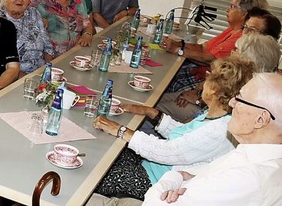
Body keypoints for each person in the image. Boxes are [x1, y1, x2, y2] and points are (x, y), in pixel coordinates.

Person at [93, 56, 256, 200]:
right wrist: (152, 113)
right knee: (100, 152)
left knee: (95, 175)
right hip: (152, 165)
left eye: (207, 77)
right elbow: (183, 135)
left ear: (214, 90)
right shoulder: (216, 114)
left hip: (156, 180)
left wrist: (121, 130)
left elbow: (169, 152)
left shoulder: (221, 129)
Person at [141, 73, 282, 205]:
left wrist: (173, 177)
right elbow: (194, 174)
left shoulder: (248, 177)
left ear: (260, 119)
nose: (232, 102)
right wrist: (181, 177)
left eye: (240, 98)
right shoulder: (253, 151)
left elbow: (152, 203)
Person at [157, 33, 282, 123]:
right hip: (203, 107)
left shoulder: (244, 83)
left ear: (249, 59)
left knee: (155, 107)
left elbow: (218, 113)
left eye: (236, 50)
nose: (232, 52)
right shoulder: (249, 78)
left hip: (204, 116)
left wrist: (197, 101)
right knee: (158, 97)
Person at [162, 0, 268, 94]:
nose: (227, 10)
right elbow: (203, 48)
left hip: (205, 80)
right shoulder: (232, 29)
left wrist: (178, 50)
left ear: (244, 14)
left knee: (165, 78)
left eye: (232, 7)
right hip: (198, 70)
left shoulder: (240, 38)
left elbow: (209, 59)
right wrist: (179, 44)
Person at [0, 0, 52, 77]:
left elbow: (48, 47)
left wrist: (47, 71)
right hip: (13, 77)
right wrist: (25, 78)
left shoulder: (34, 13)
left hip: (40, 72)